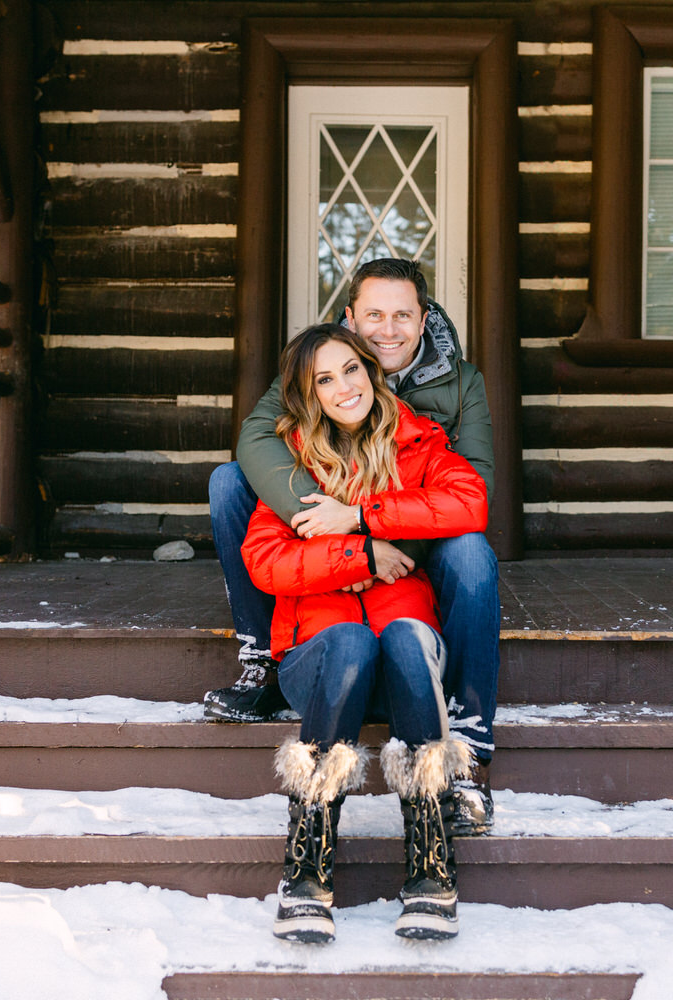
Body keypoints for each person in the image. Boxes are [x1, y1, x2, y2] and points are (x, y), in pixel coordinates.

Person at [206, 258, 500, 835]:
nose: (387, 330)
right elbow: (256, 439)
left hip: (417, 529)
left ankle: (464, 735)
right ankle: (264, 659)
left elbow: (474, 488)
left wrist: (375, 528)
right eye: (373, 316)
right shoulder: (321, 361)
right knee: (229, 482)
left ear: (424, 318)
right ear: (350, 318)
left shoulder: (461, 382)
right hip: (330, 514)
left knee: (471, 552)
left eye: (402, 316)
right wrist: (337, 530)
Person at [243, 324, 488, 942]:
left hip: (408, 667)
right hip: (322, 663)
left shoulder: (417, 446)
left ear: (370, 372)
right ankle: (306, 870)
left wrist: (359, 519)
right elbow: (267, 562)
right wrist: (362, 559)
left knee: (407, 636)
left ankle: (432, 868)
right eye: (325, 379)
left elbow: (470, 502)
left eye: (351, 369)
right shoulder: (292, 465)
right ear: (309, 394)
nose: (344, 386)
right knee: (350, 643)